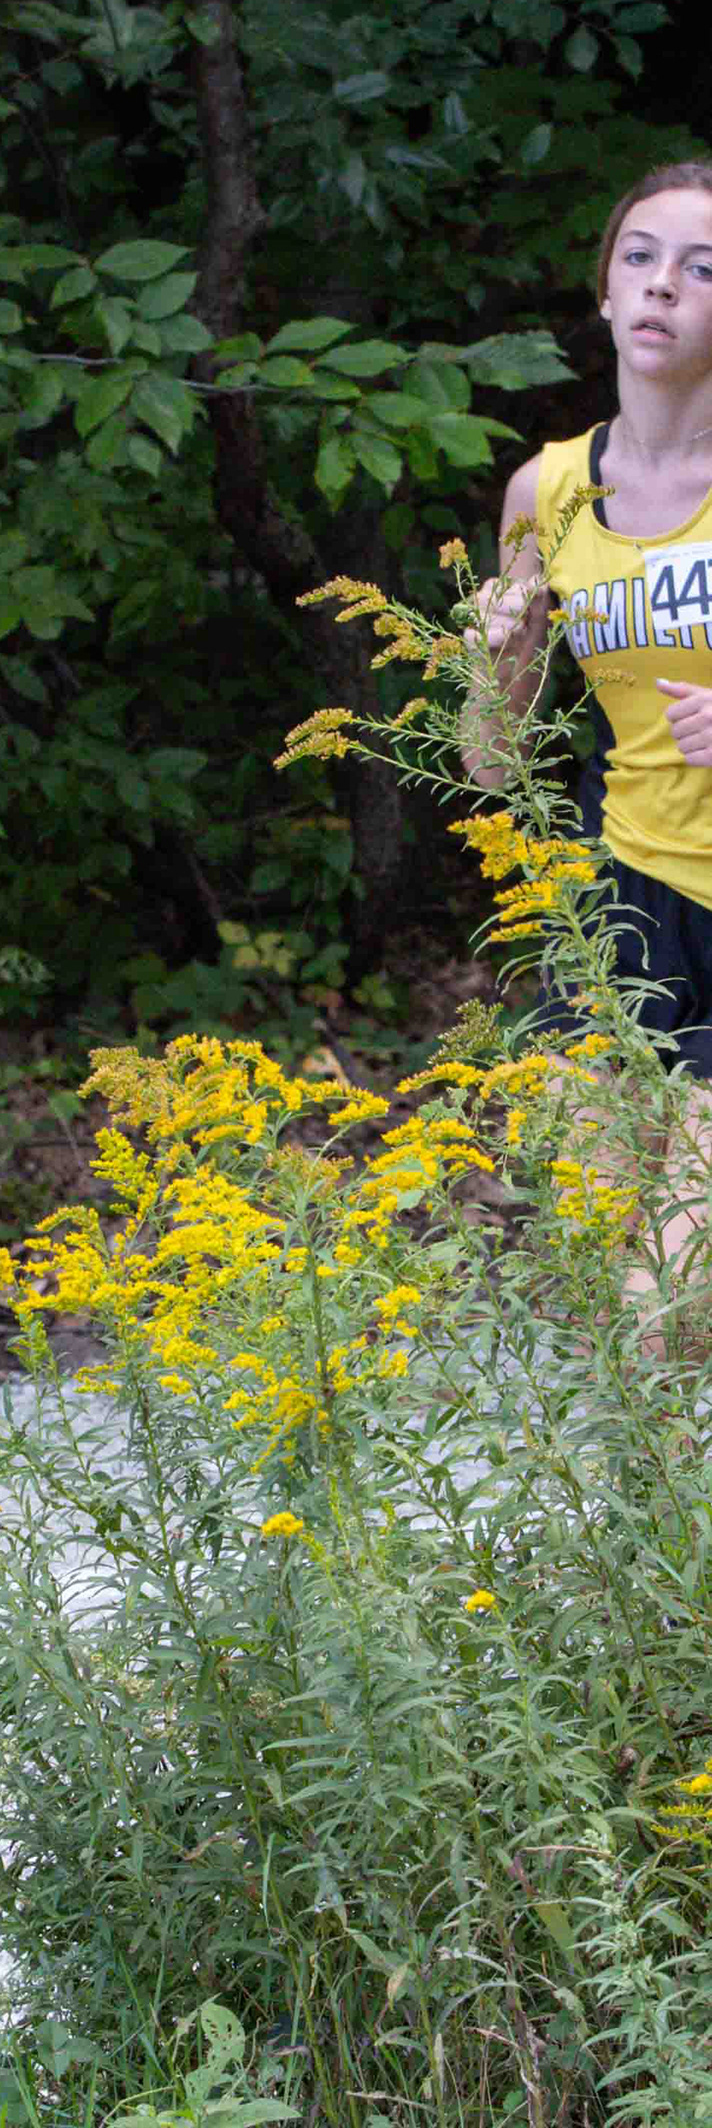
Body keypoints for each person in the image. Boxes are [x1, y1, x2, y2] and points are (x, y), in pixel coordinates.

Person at [468, 159, 712, 1311]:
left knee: (672, 1302)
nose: (664, 284)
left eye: (703, 268)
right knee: (597, 1288)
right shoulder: (547, 490)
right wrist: (496, 656)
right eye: (641, 257)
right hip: (618, 908)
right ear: (606, 290)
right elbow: (489, 760)